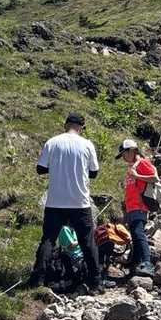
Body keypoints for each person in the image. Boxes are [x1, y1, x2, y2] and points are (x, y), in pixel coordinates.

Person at [30, 113, 104, 292]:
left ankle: (38, 280)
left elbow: (40, 169)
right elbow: (94, 172)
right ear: (81, 127)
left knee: (48, 240)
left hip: (55, 201)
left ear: (66, 124)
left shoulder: (52, 142)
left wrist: (57, 167)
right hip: (80, 202)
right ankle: (95, 281)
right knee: (87, 242)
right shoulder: (87, 144)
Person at [116, 137, 155, 276]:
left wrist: (137, 175)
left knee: (139, 234)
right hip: (131, 207)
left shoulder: (142, 163)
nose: (123, 158)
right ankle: (135, 264)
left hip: (140, 206)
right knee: (135, 235)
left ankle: (147, 263)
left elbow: (155, 177)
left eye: (124, 154)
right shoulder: (131, 167)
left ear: (131, 151)